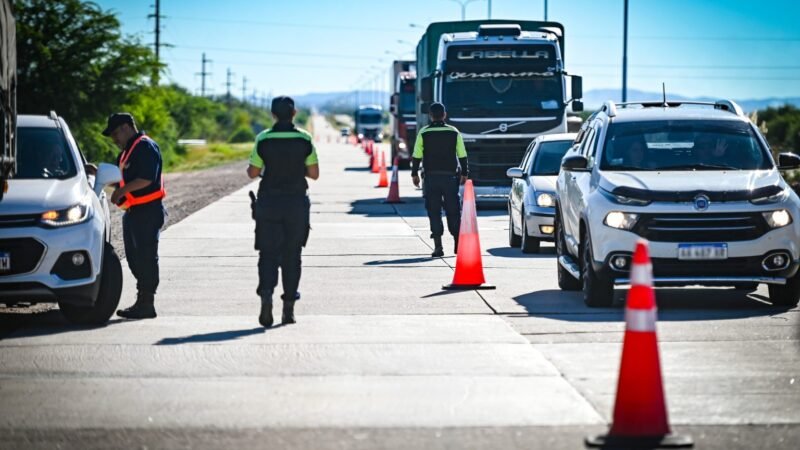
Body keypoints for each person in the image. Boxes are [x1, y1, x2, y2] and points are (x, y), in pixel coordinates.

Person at [247, 96, 319, 327]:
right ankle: (288, 308)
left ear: (272, 114)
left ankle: (266, 295)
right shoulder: (304, 138)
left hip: (268, 203)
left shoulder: (264, 138)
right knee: (292, 255)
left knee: (267, 254)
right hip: (296, 204)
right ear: (295, 113)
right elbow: (314, 173)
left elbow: (252, 172)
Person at [105, 113, 166, 320]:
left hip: (148, 212)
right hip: (133, 213)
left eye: (115, 133)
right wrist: (98, 174)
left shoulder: (145, 146)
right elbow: (123, 180)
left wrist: (122, 192)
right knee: (134, 259)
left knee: (146, 257)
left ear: (125, 127)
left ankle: (146, 304)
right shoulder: (125, 153)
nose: (114, 139)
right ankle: (142, 301)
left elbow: (146, 179)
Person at [411, 102, 468, 257]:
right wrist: (465, 172)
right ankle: (457, 244)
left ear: (430, 116)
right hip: (450, 178)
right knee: (453, 211)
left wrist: (414, 173)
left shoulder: (424, 132)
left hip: (431, 178)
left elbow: (417, 155)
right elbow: (462, 154)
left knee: (434, 211)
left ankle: (438, 247)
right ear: (444, 115)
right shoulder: (454, 131)